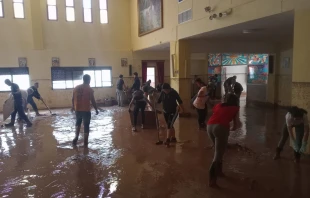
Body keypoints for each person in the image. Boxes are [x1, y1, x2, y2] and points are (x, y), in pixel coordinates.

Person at [207, 94, 241, 187]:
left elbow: (216, 114)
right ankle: (212, 181)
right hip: (221, 128)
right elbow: (236, 124)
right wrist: (231, 128)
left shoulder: (219, 105)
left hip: (209, 126)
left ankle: (219, 172)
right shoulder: (235, 108)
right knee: (218, 154)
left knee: (218, 151)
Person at [72, 74, 99, 147]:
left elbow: (72, 98)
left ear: (83, 80)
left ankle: (76, 137)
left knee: (78, 123)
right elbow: (92, 100)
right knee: (86, 125)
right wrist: (96, 109)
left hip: (77, 108)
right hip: (86, 110)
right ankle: (85, 142)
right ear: (89, 80)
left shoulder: (76, 88)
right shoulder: (89, 89)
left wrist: (73, 107)